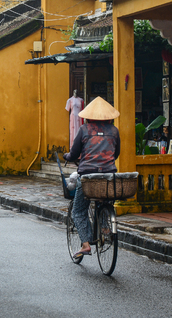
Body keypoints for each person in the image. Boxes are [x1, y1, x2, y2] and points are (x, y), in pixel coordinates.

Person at [63, 96, 120, 259]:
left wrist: (67, 156)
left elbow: (74, 153)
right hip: (109, 175)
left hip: (88, 176)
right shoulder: (114, 131)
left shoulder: (84, 130)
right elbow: (116, 153)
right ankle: (105, 228)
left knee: (79, 211)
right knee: (105, 199)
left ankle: (86, 244)